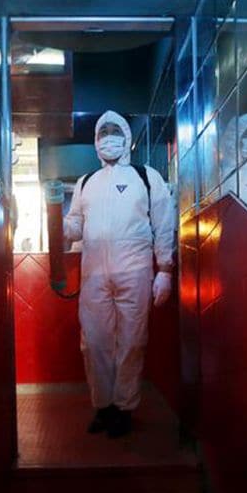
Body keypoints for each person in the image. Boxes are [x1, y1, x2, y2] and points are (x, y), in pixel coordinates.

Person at [63, 110, 176, 438]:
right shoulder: (86, 182)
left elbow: (163, 224)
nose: (109, 136)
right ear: (96, 142)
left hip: (135, 271)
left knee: (131, 342)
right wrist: (57, 220)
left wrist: (165, 269)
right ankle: (103, 406)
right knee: (94, 343)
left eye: (115, 130)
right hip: (94, 275)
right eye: (103, 132)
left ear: (127, 137)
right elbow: (75, 226)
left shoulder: (146, 176)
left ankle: (125, 408)